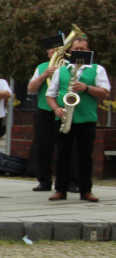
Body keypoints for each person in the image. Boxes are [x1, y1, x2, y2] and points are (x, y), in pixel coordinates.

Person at [47, 35, 110, 203]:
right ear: (70, 52)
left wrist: (87, 88)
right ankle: (60, 190)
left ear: (88, 51)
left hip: (86, 119)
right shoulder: (61, 70)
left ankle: (86, 191)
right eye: (76, 49)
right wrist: (56, 109)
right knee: (62, 155)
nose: (79, 52)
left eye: (82, 49)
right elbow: (50, 95)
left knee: (85, 156)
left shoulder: (97, 69)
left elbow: (105, 92)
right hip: (64, 118)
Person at [27, 34, 66, 193]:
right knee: (43, 147)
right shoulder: (42, 67)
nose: (54, 51)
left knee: (66, 148)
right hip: (45, 111)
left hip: (64, 111)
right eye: (51, 48)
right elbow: (31, 89)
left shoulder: (68, 66)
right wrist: (45, 75)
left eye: (58, 48)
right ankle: (44, 181)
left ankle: (68, 181)